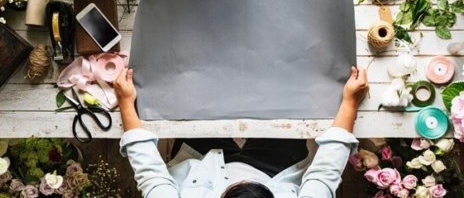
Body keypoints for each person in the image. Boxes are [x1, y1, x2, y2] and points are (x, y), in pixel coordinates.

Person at [114, 66, 369, 198]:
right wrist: (348, 103)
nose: (243, 177)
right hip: (275, 168)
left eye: (238, 184)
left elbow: (151, 176)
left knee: (194, 90)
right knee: (285, 90)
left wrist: (126, 102)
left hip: (202, 165)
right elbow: (325, 173)